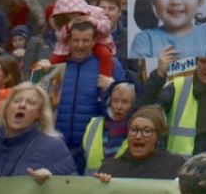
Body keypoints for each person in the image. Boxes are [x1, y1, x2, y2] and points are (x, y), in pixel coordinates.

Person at [52, 20, 128, 173]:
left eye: (85, 40)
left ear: (94, 41)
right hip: (58, 145)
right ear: (68, 41)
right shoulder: (55, 66)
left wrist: (112, 87)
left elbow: (128, 99)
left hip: (93, 145)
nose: (80, 45)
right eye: (76, 40)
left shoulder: (111, 65)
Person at [0, 82, 76, 181]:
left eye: (31, 102)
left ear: (39, 114)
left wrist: (53, 183)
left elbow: (73, 186)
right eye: (17, 101)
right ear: (6, 108)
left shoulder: (53, 148)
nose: (22, 105)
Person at [94, 105, 187, 180]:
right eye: (134, 130)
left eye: (146, 131)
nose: (138, 136)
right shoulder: (110, 168)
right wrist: (101, 186)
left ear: (157, 136)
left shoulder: (174, 166)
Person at [82, 81, 137, 174]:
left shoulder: (138, 128)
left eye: (125, 102)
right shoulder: (94, 124)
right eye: (115, 100)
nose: (119, 107)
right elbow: (80, 160)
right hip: (92, 185)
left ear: (133, 104)